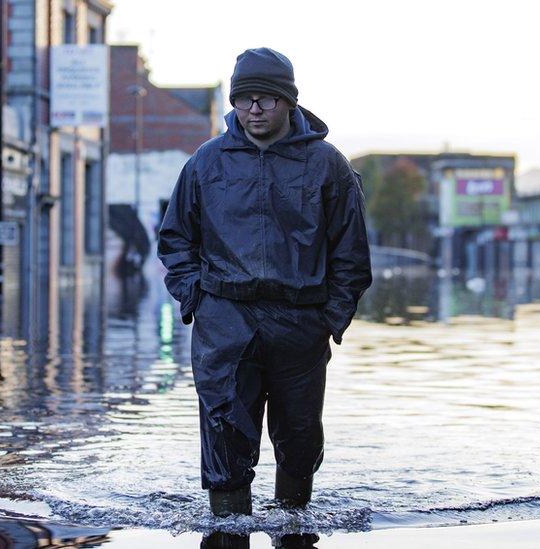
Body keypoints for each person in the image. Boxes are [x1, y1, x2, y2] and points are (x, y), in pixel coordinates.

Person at [158, 47, 372, 517]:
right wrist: (197, 299)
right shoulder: (206, 163)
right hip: (225, 322)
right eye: (245, 99)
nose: (254, 109)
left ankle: (294, 521)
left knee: (298, 437)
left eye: (266, 99)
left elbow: (351, 252)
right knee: (224, 437)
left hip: (301, 322)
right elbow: (175, 239)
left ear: (289, 102)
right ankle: (227, 522)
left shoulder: (326, 165)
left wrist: (331, 317)